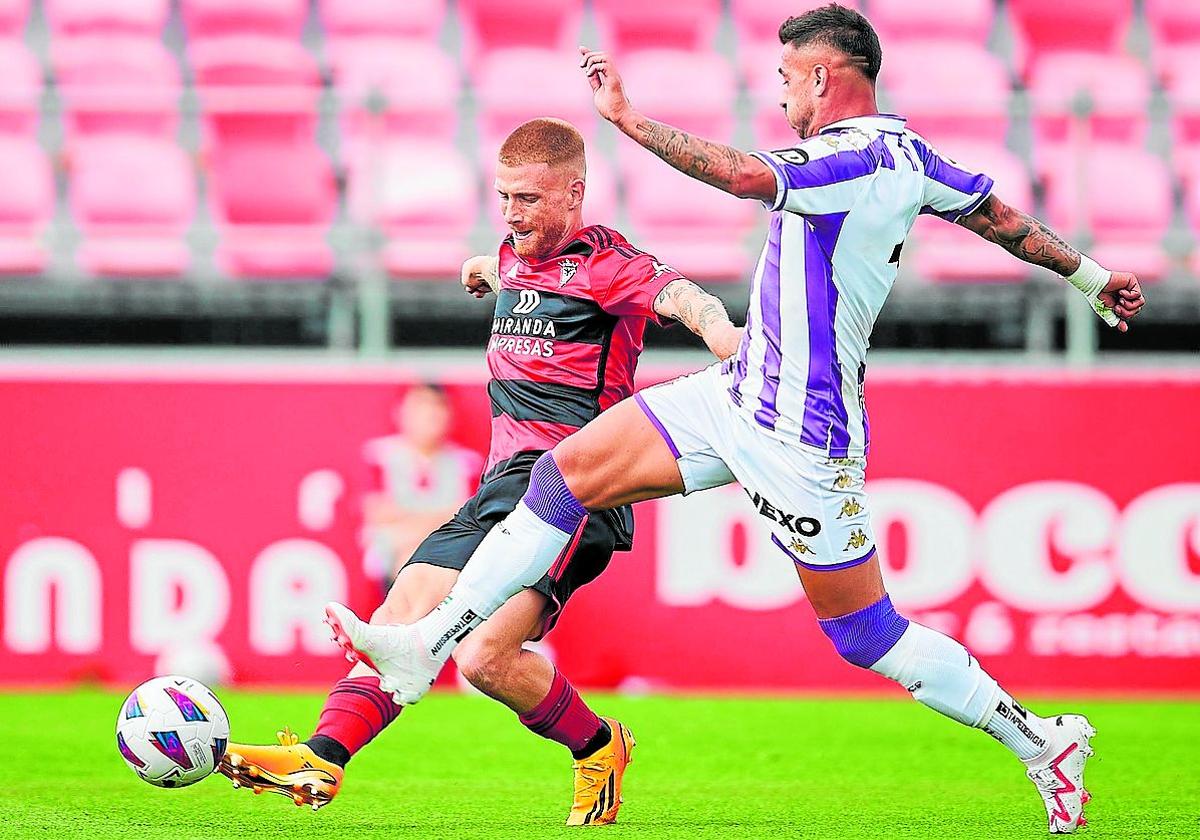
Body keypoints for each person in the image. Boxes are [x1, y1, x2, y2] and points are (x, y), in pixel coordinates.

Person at [326, 6, 1146, 836]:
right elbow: (1001, 219)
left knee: (866, 635)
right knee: (561, 474)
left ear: (823, 78)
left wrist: (627, 120)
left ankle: (1042, 742)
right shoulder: (910, 152)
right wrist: (1090, 274)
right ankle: (428, 637)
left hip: (801, 430)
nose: (780, 90)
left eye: (789, 77)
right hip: (739, 388)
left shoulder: (849, 157)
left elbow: (743, 176)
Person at [219, 117, 741, 826]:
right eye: (504, 198)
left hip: (576, 488)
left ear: (573, 194)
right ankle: (331, 758)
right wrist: (481, 268)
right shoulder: (514, 251)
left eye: (528, 199)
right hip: (503, 485)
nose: (513, 213)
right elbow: (509, 266)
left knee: (475, 651)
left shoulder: (607, 263)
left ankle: (334, 755)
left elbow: (682, 297)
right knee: (460, 645)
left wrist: (725, 336)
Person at [361, 383, 482, 584]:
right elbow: (377, 512)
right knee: (409, 561)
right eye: (421, 405)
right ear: (401, 412)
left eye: (437, 406)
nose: (430, 414)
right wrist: (439, 519)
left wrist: (410, 518)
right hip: (396, 550)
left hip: (448, 553)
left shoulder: (467, 463)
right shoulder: (379, 456)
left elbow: (470, 518)